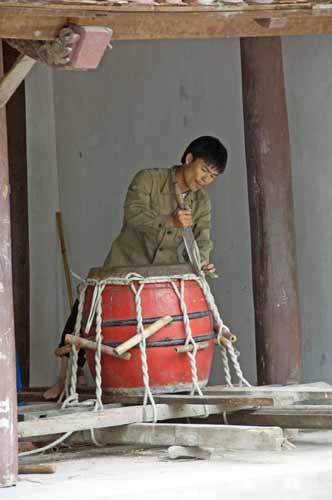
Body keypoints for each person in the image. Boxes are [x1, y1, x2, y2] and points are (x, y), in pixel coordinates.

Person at [43, 136, 228, 399]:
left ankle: (161, 384)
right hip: (124, 265)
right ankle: (64, 381)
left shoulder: (201, 203)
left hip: (162, 278)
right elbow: (134, 214)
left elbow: (203, 237)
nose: (205, 179)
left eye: (212, 176)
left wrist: (203, 259)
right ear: (188, 158)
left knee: (164, 333)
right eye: (204, 170)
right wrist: (169, 221)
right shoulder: (148, 180)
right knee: (84, 314)